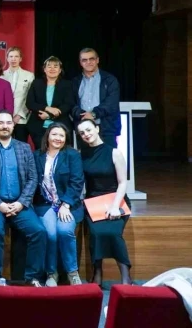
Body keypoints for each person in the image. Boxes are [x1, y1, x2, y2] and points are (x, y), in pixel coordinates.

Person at [0, 110, 46, 287]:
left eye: (8, 123)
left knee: (39, 231)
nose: (4, 126)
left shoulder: (24, 148)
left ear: (13, 125)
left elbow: (33, 178)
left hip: (19, 203)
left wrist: (21, 203)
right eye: (0, 123)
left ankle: (32, 277)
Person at [77, 119, 132, 285]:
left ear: (97, 128)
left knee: (113, 233)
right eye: (82, 133)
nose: (86, 134)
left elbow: (122, 182)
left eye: (89, 130)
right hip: (93, 202)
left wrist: (115, 206)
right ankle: (97, 273)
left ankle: (126, 277)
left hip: (116, 199)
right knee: (96, 234)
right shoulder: (81, 154)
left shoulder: (114, 152)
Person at [32, 122, 84, 286]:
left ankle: (72, 272)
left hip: (68, 205)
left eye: (62, 135)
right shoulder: (37, 155)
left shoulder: (72, 155)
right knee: (50, 234)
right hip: (45, 204)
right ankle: (51, 273)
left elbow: (77, 182)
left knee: (64, 231)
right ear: (47, 136)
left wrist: (66, 204)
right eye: (54, 134)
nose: (58, 138)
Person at [71, 48, 121, 148]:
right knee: (85, 158)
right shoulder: (75, 82)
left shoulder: (109, 79)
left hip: (106, 129)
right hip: (83, 129)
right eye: (84, 60)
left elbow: (112, 103)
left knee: (107, 157)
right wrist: (82, 115)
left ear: (97, 60)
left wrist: (93, 114)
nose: (88, 62)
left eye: (91, 59)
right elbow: (71, 103)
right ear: (80, 62)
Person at [26, 56, 74, 150]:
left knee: (61, 154)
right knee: (41, 153)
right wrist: (47, 108)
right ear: (44, 69)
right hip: (38, 126)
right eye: (49, 66)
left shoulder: (67, 84)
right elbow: (30, 103)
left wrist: (49, 115)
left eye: (55, 66)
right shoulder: (36, 83)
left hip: (60, 125)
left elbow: (68, 104)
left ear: (60, 70)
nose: (52, 69)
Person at [2, 47, 35, 143]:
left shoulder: (29, 75)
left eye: (16, 56)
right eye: (11, 56)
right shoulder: (1, 75)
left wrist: (19, 115)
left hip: (22, 119)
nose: (13, 59)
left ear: (20, 59)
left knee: (21, 145)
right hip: (4, 118)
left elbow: (29, 97)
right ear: (7, 58)